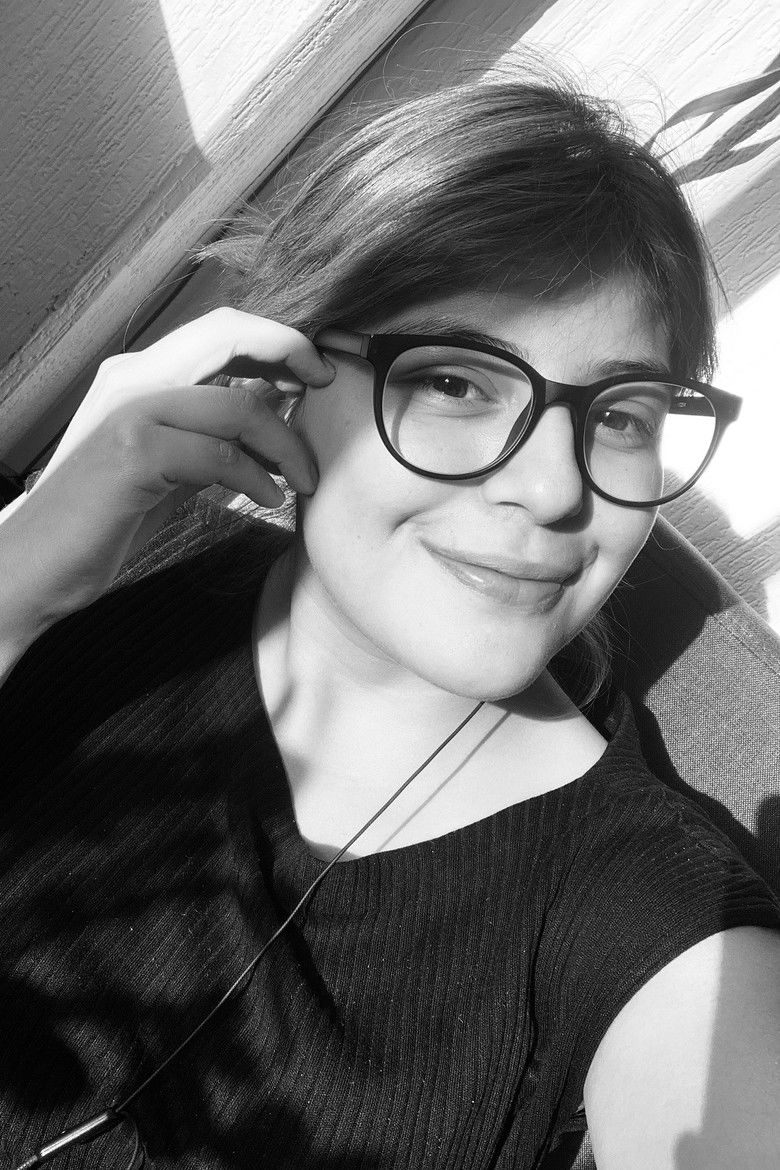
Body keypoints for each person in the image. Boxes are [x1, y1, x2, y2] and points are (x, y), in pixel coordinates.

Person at [1, 62, 779, 1170]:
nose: (554, 489)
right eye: (455, 382)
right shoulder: (91, 586)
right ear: (283, 373)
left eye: (622, 415)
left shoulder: (651, 915)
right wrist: (20, 574)